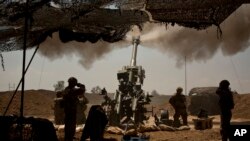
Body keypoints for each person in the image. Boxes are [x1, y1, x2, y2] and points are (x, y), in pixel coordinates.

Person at [63, 77, 86, 141]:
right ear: (73, 83)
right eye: (75, 82)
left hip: (67, 111)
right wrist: (81, 85)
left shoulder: (66, 89)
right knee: (71, 127)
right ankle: (69, 138)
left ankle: (67, 138)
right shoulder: (72, 90)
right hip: (71, 111)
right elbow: (82, 90)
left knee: (67, 127)